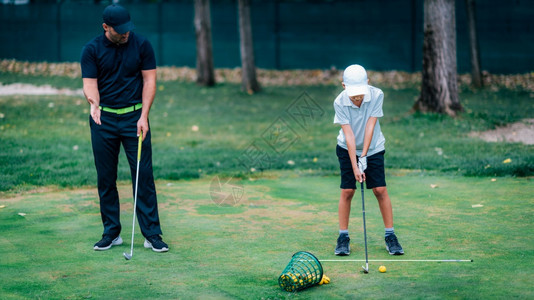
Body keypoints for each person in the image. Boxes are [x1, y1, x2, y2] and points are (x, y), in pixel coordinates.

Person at [81, 4, 168, 252]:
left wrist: (144, 115)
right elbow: (90, 83)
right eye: (120, 30)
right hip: (103, 120)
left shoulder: (142, 45)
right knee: (106, 178)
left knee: (143, 175)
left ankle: (152, 234)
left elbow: (150, 80)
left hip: (135, 119)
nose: (125, 33)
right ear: (105, 27)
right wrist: (93, 104)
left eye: (128, 28)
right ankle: (111, 232)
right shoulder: (91, 49)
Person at [333, 64, 403, 256]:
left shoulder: (377, 95)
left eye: (360, 93)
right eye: (353, 94)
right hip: (346, 148)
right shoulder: (339, 102)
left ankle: (390, 235)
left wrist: (363, 156)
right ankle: (343, 237)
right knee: (347, 190)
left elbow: (370, 126)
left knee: (380, 189)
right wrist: (355, 164)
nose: (357, 98)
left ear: (368, 84)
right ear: (343, 86)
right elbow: (349, 136)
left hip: (374, 148)